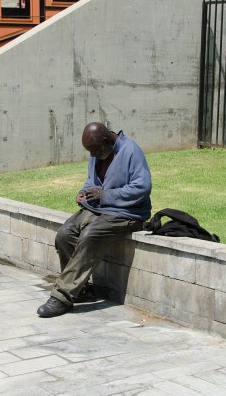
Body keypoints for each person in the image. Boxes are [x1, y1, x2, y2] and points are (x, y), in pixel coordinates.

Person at [37, 122, 152, 318]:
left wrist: (105, 195)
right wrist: (84, 192)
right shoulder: (99, 152)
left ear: (106, 141)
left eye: (94, 150)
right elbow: (91, 181)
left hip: (127, 213)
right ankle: (81, 290)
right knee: (65, 234)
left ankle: (62, 296)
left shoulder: (131, 151)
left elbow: (142, 187)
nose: (92, 155)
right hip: (98, 208)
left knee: (89, 236)